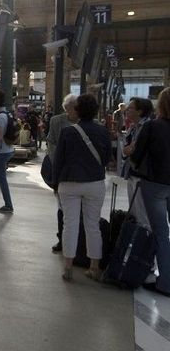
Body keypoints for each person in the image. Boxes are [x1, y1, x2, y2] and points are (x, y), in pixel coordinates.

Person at [53, 94, 111, 282]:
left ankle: (68, 267)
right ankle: (94, 267)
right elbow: (107, 159)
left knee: (69, 224)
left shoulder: (68, 132)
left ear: (77, 110)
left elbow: (58, 161)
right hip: (94, 183)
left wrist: (55, 183)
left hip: (69, 183)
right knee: (92, 225)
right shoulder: (103, 131)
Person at [130, 88, 170, 297]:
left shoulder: (153, 127)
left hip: (155, 184)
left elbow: (136, 157)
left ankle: (165, 282)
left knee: (161, 233)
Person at [47, 94, 78, 253]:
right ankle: (61, 239)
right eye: (70, 108)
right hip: (61, 172)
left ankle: (77, 243)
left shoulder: (88, 122)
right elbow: (51, 142)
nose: (72, 111)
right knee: (62, 208)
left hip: (80, 174)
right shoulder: (57, 121)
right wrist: (57, 162)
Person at [120, 97, 154, 227]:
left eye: (131, 108)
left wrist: (130, 150)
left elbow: (136, 150)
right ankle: (137, 242)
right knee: (134, 212)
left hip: (141, 174)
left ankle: (145, 242)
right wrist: (129, 149)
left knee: (142, 213)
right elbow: (126, 149)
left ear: (140, 111)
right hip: (132, 172)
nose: (127, 110)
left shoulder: (147, 127)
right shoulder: (134, 127)